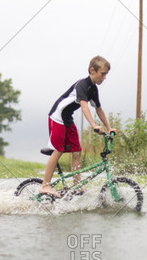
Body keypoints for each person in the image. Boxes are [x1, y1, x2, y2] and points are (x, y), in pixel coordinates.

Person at [40, 55, 116, 197]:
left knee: (77, 150)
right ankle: (45, 186)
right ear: (92, 70)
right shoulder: (82, 85)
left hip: (67, 119)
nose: (105, 77)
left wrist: (109, 127)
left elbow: (98, 109)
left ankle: (77, 185)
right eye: (103, 74)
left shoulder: (93, 89)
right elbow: (84, 106)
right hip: (57, 117)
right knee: (59, 149)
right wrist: (93, 125)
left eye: (106, 74)